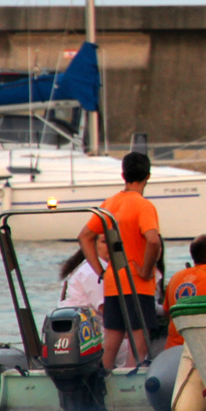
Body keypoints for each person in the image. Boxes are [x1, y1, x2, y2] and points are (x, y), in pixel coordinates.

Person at [77, 152, 162, 369]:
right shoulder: (143, 206)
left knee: (110, 346)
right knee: (138, 349)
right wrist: (145, 270)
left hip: (113, 284)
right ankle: (132, 390)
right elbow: (153, 241)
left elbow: (84, 236)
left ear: (123, 174)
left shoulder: (109, 203)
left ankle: (102, 389)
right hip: (138, 285)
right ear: (148, 176)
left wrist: (101, 272)